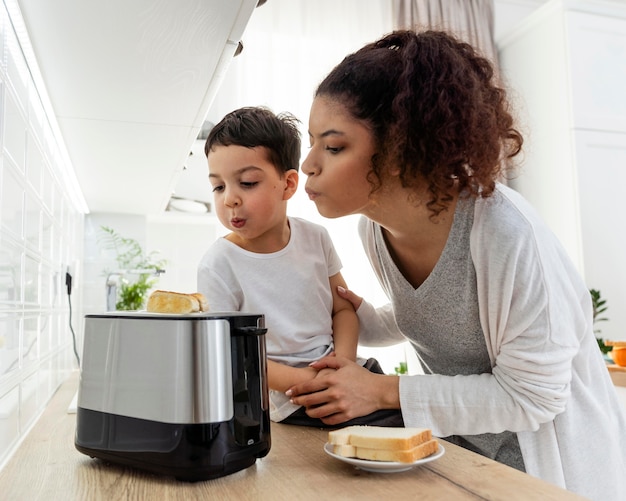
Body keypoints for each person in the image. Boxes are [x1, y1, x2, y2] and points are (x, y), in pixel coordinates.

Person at [286, 30, 626, 499]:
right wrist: (350, 311)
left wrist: (383, 391)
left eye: (334, 146)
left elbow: (535, 397)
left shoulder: (505, 234)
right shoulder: (375, 230)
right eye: (312, 142)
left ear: (402, 150)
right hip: (465, 460)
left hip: (549, 476)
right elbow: (431, 315)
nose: (308, 164)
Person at [196, 106, 403, 427]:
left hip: (347, 372)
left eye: (247, 183)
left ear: (289, 184)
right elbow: (231, 355)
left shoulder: (315, 237)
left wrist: (343, 364)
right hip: (293, 398)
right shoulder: (218, 264)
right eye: (219, 186)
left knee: (416, 427)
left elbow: (343, 309)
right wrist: (306, 379)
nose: (229, 199)